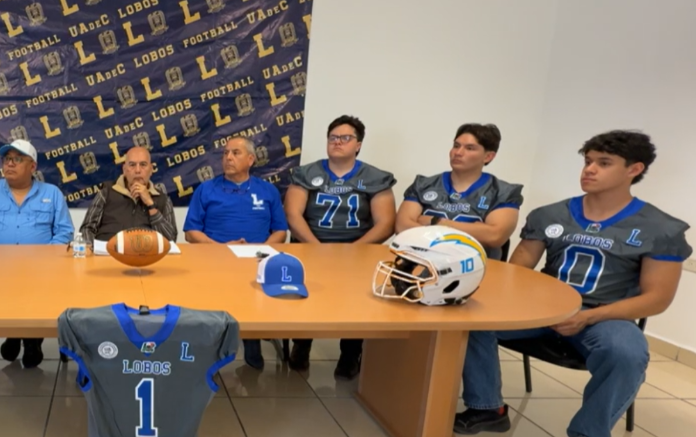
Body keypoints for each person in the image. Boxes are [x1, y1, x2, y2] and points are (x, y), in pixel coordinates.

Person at [456, 130, 691, 437]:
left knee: (627, 353)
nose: (589, 170)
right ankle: (487, 408)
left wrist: (587, 317)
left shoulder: (659, 228)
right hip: (541, 311)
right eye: (588, 161)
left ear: (634, 169)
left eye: (603, 163)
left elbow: (656, 299)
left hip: (604, 316)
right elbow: (515, 273)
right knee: (467, 320)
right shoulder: (551, 214)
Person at [286, 115, 397, 378]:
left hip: (358, 250)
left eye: (345, 138)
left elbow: (385, 223)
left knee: (357, 302)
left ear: (358, 145)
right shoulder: (307, 173)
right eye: (333, 137)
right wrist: (316, 247)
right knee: (305, 298)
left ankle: (350, 353)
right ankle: (301, 345)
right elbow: (293, 214)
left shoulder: (375, 177)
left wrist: (353, 249)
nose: (337, 142)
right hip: (311, 247)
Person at [0, 138, 74, 368]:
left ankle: (32, 339)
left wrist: (45, 260)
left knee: (38, 290)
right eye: (7, 159)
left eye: (17, 159)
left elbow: (64, 231)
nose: (10, 164)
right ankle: (13, 333)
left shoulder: (52, 193)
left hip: (42, 270)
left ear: (32, 166)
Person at [183, 136, 287, 369]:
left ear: (250, 159)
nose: (228, 157)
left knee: (254, 294)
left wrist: (260, 251)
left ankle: (252, 340)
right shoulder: (206, 189)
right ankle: (209, 348)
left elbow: (281, 231)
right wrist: (221, 249)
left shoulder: (267, 190)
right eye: (225, 153)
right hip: (214, 260)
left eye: (235, 153)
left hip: (256, 260)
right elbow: (191, 232)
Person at [396, 123, 524, 260]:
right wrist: (473, 230)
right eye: (456, 146)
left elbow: (494, 236)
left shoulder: (502, 193)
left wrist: (438, 222)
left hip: (475, 267)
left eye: (470, 148)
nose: (458, 153)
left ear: (488, 157)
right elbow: (402, 226)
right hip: (419, 260)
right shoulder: (424, 185)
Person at [78, 146, 178, 243]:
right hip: (107, 252)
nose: (137, 170)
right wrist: (92, 248)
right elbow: (86, 229)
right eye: (132, 165)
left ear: (151, 169)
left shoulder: (163, 200)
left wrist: (150, 204)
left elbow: (170, 240)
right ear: (124, 170)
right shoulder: (106, 193)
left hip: (145, 253)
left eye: (143, 164)